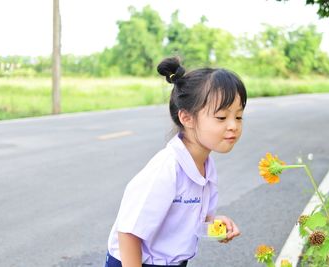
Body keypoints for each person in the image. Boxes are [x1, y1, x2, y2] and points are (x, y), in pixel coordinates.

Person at [105, 57, 247, 267]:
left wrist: (214, 225)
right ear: (187, 118)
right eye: (221, 117)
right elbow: (128, 232)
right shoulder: (167, 168)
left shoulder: (206, 167)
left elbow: (191, 221)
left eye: (238, 117)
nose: (233, 126)